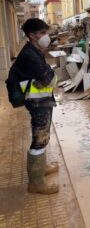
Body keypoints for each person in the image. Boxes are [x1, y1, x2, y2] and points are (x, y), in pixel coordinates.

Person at [15, 18, 59, 194]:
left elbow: (47, 77)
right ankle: (36, 182)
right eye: (42, 33)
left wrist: (49, 75)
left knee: (44, 136)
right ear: (32, 35)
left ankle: (42, 168)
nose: (46, 36)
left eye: (46, 32)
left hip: (41, 98)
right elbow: (49, 78)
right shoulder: (30, 55)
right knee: (39, 139)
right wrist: (51, 74)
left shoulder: (35, 50)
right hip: (37, 101)